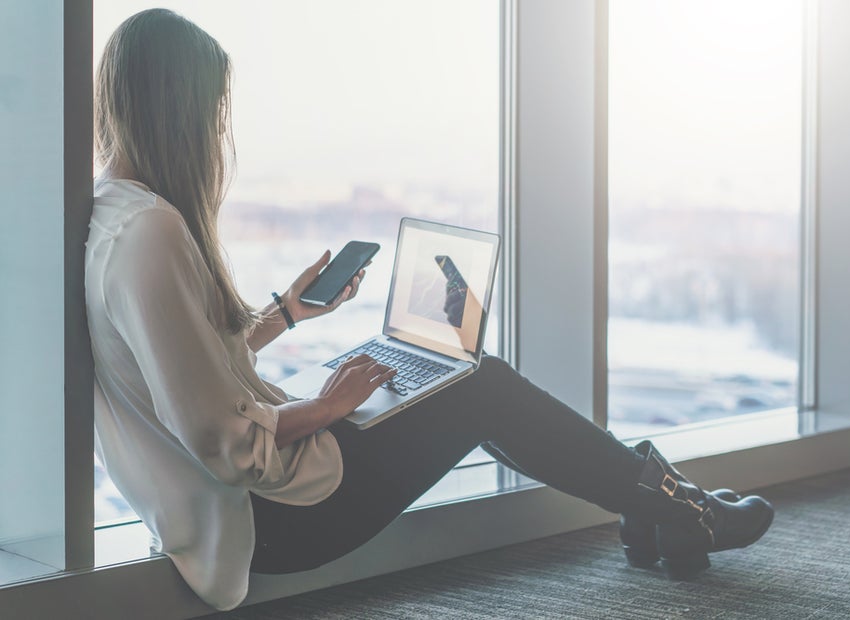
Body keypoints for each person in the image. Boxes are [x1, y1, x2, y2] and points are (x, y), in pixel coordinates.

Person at [87, 9, 774, 612]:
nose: (217, 133)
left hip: (246, 502)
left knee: (455, 378)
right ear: (178, 110)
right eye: (213, 113)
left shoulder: (115, 215)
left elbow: (183, 368)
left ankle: (663, 509)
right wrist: (328, 408)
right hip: (274, 515)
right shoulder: (153, 232)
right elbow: (228, 444)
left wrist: (284, 316)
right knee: (481, 382)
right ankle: (676, 509)